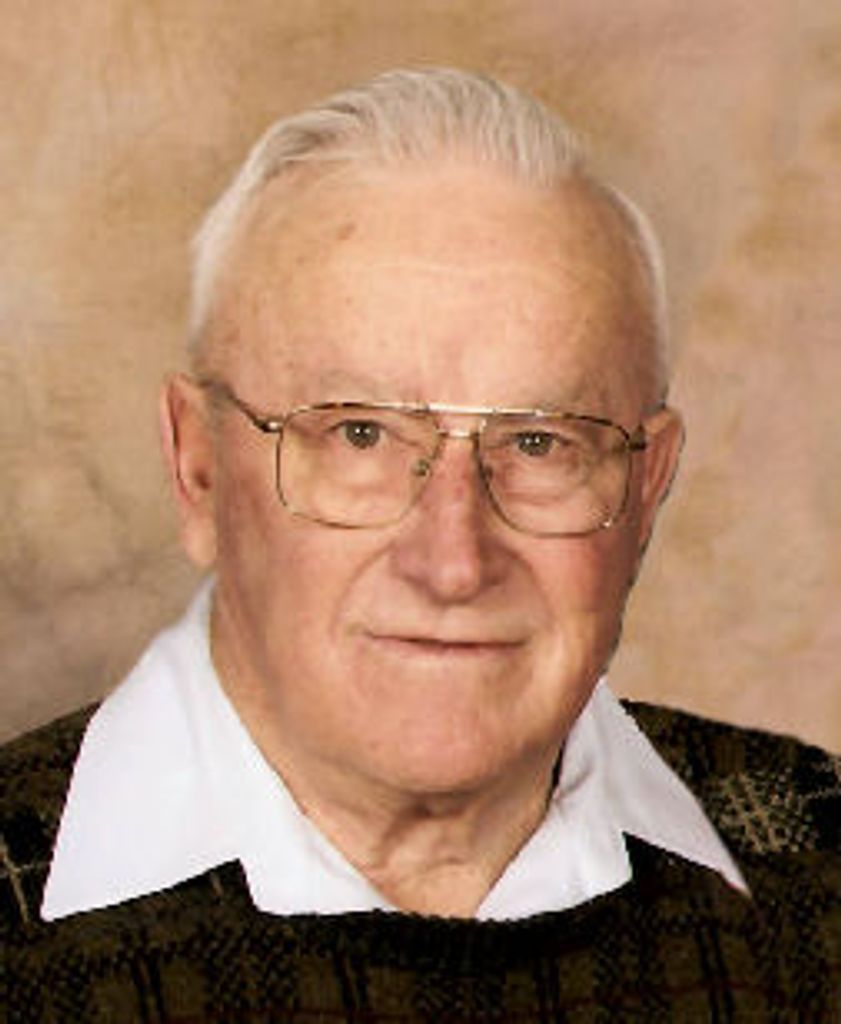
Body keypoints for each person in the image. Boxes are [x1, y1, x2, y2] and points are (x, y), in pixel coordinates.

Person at [3, 68, 838, 1021]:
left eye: (539, 444)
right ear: (197, 468)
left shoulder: (813, 860)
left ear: (646, 488)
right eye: (358, 435)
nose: (452, 562)